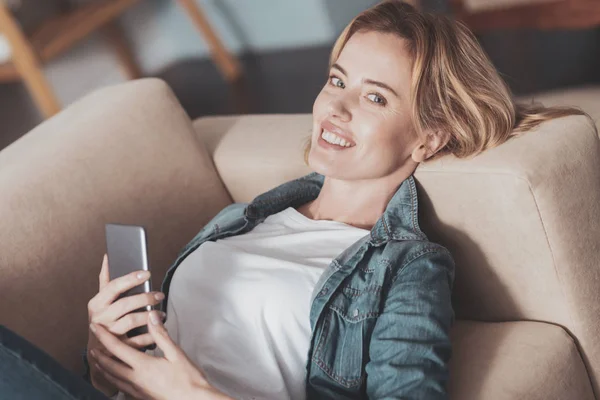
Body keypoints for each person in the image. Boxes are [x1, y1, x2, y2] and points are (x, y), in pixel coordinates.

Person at [0, 1, 586, 399]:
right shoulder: (245, 218)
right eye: (337, 80)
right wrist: (106, 352)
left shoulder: (407, 268)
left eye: (375, 98)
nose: (335, 107)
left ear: (428, 137)